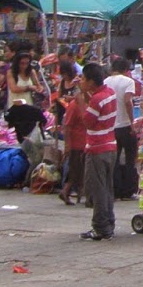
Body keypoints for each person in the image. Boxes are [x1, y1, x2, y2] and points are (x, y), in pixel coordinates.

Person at [79, 63, 118, 241]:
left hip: (98, 147)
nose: (81, 81)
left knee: (98, 189)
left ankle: (101, 226)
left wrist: (81, 101)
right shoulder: (109, 93)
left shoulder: (97, 99)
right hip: (110, 145)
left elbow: (88, 121)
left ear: (91, 81)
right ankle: (108, 223)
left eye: (83, 78)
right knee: (107, 187)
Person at [105, 55, 138, 201]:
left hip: (111, 126)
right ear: (126, 69)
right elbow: (127, 101)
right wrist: (132, 122)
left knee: (115, 159)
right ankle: (129, 190)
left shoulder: (105, 82)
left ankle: (115, 189)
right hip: (125, 125)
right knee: (130, 158)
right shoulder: (128, 81)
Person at [58, 61, 86, 207]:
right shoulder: (75, 105)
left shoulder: (83, 103)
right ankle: (66, 191)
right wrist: (68, 145)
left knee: (78, 170)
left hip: (83, 141)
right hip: (77, 142)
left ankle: (72, 192)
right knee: (76, 170)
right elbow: (67, 126)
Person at [3, 51, 47, 141]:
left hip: (28, 105)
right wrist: (29, 88)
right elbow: (13, 88)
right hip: (15, 106)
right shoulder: (11, 73)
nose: (24, 66)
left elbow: (38, 85)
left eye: (27, 63)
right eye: (22, 63)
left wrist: (39, 89)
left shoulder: (31, 72)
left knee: (29, 131)